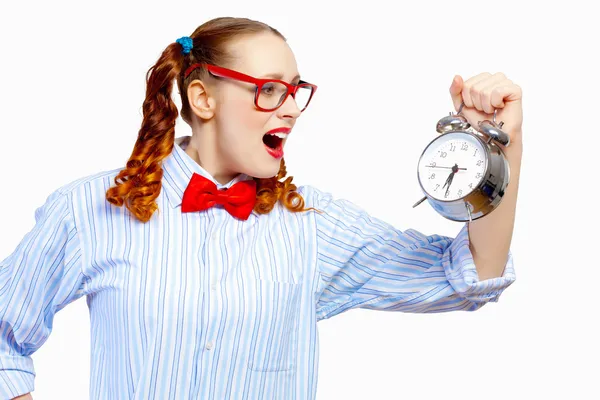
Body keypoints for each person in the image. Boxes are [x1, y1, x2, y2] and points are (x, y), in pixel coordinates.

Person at [0, 16, 522, 400]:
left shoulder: (312, 225)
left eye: (296, 91)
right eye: (270, 91)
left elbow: (469, 276)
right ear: (203, 99)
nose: (292, 109)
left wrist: (500, 147)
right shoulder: (90, 209)